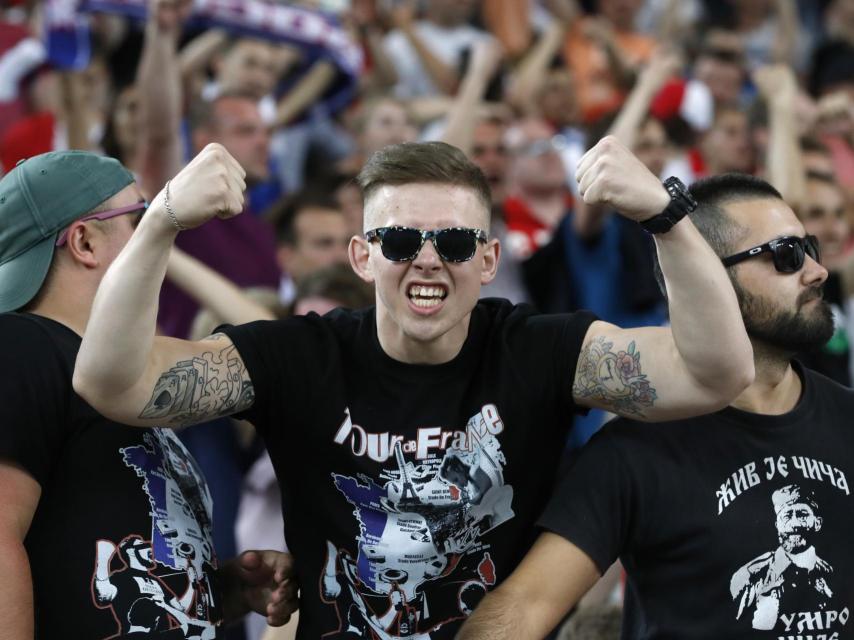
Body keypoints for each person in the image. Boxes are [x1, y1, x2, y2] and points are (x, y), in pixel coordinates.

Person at [73, 137, 754, 638]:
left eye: (454, 243)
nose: (427, 259)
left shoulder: (538, 349)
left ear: (489, 259)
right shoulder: (301, 355)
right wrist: (160, 221)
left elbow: (715, 372)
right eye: (399, 239)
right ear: (362, 256)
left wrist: (665, 216)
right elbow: (114, 383)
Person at [457, 173, 854, 639]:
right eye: (787, 255)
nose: (817, 270)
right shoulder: (634, 450)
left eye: (809, 248)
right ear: (706, 281)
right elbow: (524, 607)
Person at [0, 150, 297, 638]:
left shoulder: (121, 375)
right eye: (137, 219)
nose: (154, 239)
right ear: (85, 242)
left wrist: (223, 591)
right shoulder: (23, 345)